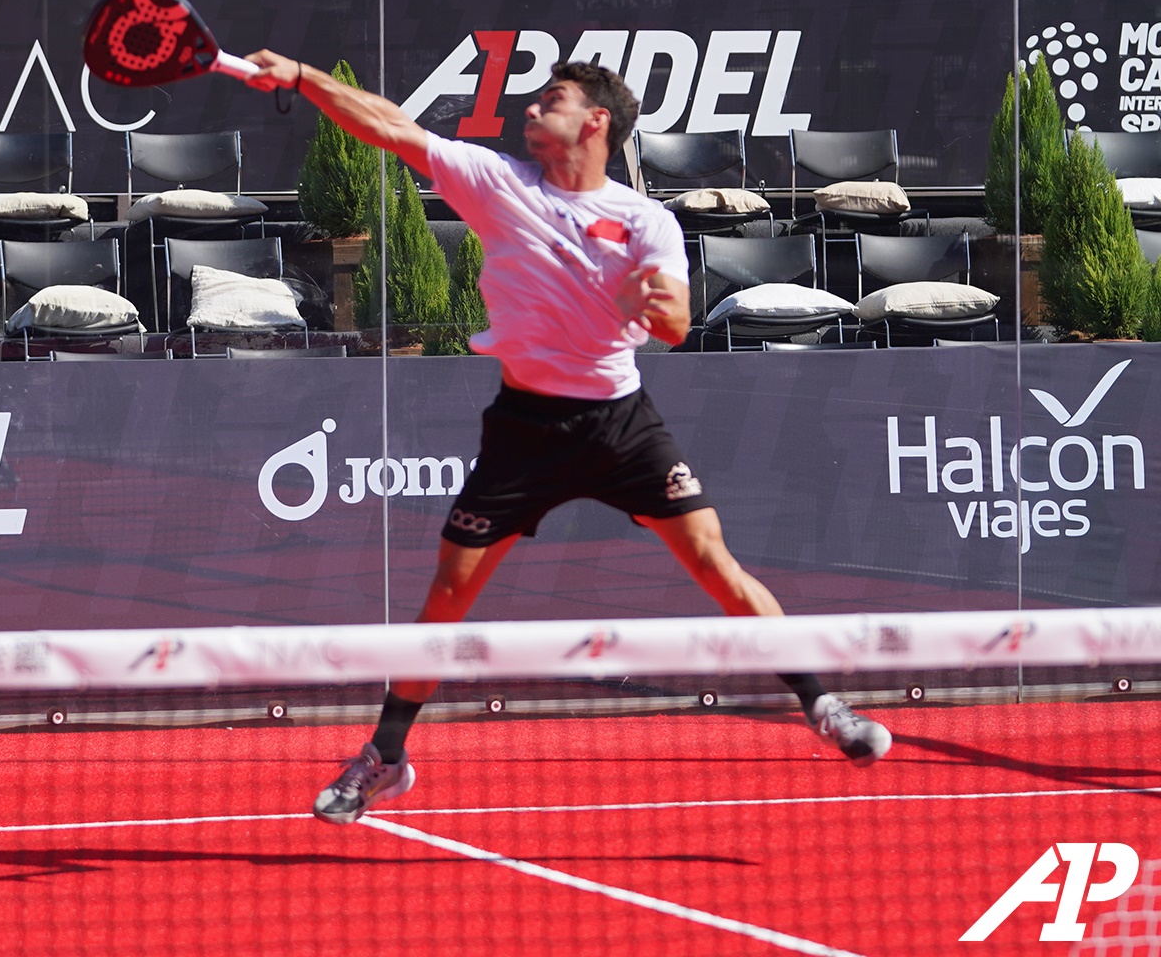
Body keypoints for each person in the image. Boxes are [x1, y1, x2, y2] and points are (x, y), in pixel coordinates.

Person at [236, 53, 893, 826]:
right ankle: (387, 756)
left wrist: (636, 300)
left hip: (620, 423)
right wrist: (305, 78)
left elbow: (677, 326)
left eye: (552, 99)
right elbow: (392, 126)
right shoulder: (496, 183)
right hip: (525, 427)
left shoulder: (645, 220)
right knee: (447, 595)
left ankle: (821, 706)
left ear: (595, 122)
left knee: (717, 566)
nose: (532, 109)